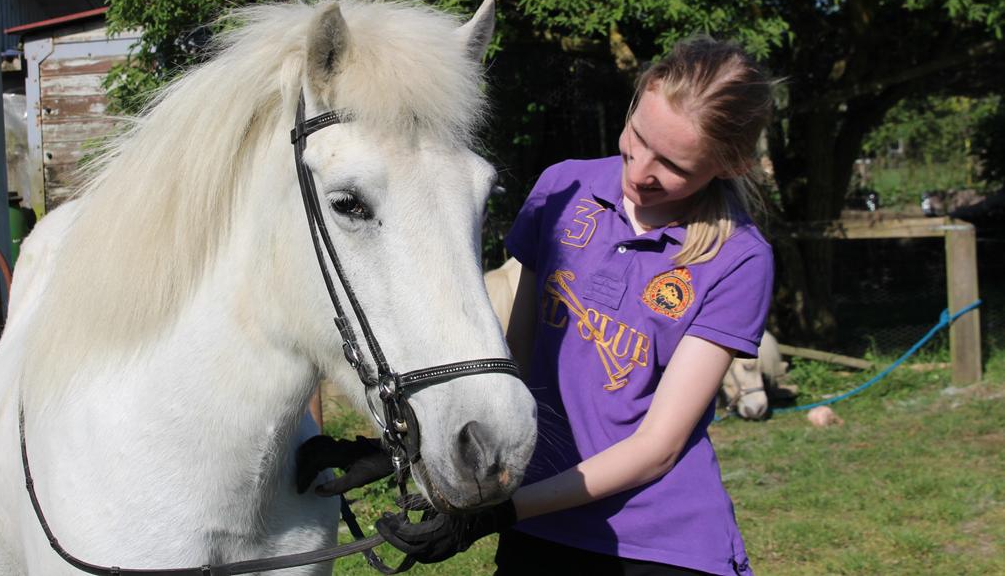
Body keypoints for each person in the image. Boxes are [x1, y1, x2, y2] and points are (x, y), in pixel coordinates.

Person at [298, 35, 777, 576]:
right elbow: (515, 362)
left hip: (657, 543)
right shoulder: (564, 187)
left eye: (673, 165)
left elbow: (658, 447)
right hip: (539, 530)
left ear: (730, 166)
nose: (640, 169)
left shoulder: (739, 259)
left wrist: (495, 513)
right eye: (637, 136)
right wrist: (408, 444)